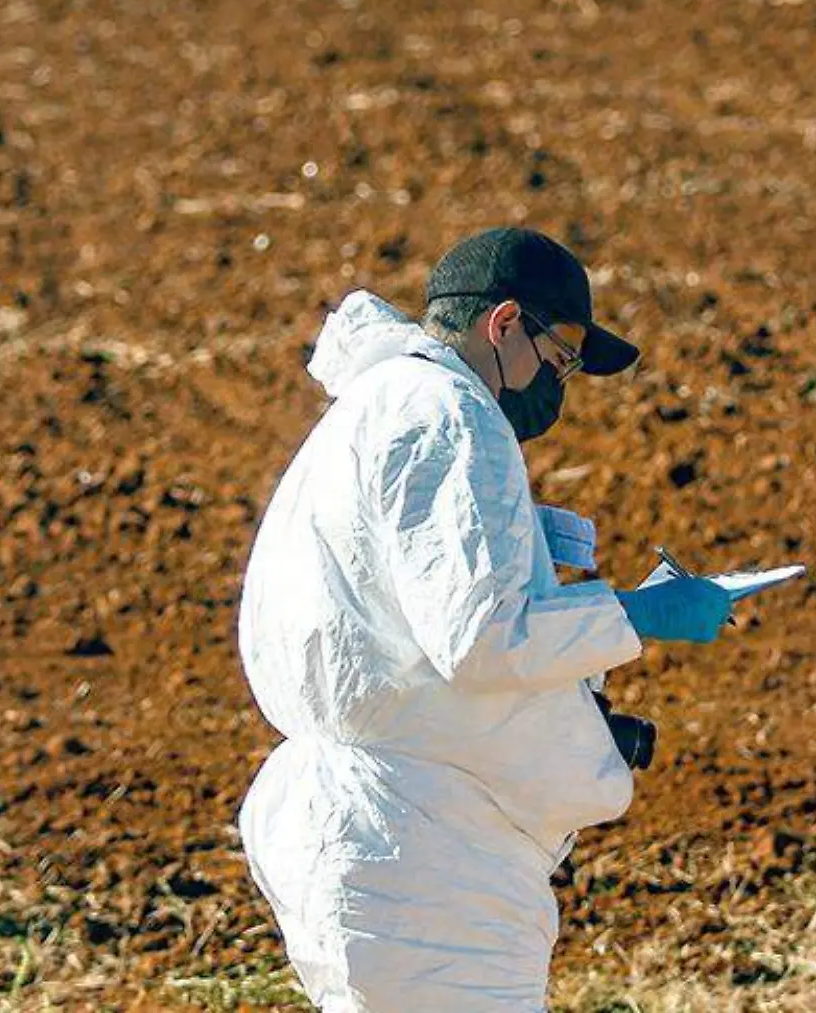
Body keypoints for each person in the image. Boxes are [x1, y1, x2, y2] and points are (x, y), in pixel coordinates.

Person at [236, 226, 735, 1012]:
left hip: (392, 838)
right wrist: (634, 615)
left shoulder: (383, 406)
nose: (560, 381)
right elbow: (482, 637)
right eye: (561, 354)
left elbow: (440, 633)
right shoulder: (448, 412)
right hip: (422, 854)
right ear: (503, 323)